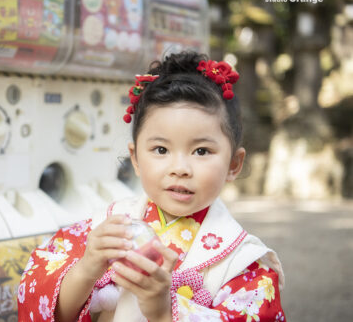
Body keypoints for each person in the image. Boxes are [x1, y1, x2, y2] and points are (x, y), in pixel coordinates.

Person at [17, 51, 285, 321]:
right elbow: (40, 301)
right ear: (135, 158)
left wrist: (162, 312)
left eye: (201, 151)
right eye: (160, 149)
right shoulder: (104, 227)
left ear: (233, 164)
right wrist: (87, 268)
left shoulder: (244, 262)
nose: (179, 168)